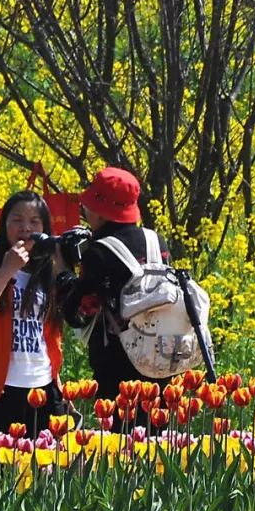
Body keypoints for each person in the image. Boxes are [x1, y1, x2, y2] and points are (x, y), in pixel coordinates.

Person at [58, 167, 173, 400]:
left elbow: (80, 313)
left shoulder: (99, 252)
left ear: (101, 212)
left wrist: (62, 273)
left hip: (118, 367)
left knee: (121, 435)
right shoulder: (155, 240)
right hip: (161, 359)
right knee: (156, 434)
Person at [0, 191, 67, 433]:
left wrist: (57, 380)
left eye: (34, 222)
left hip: (42, 387)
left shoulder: (46, 271)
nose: (25, 228)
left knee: (44, 469)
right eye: (17, 220)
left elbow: (52, 333)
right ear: (4, 224)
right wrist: (7, 270)